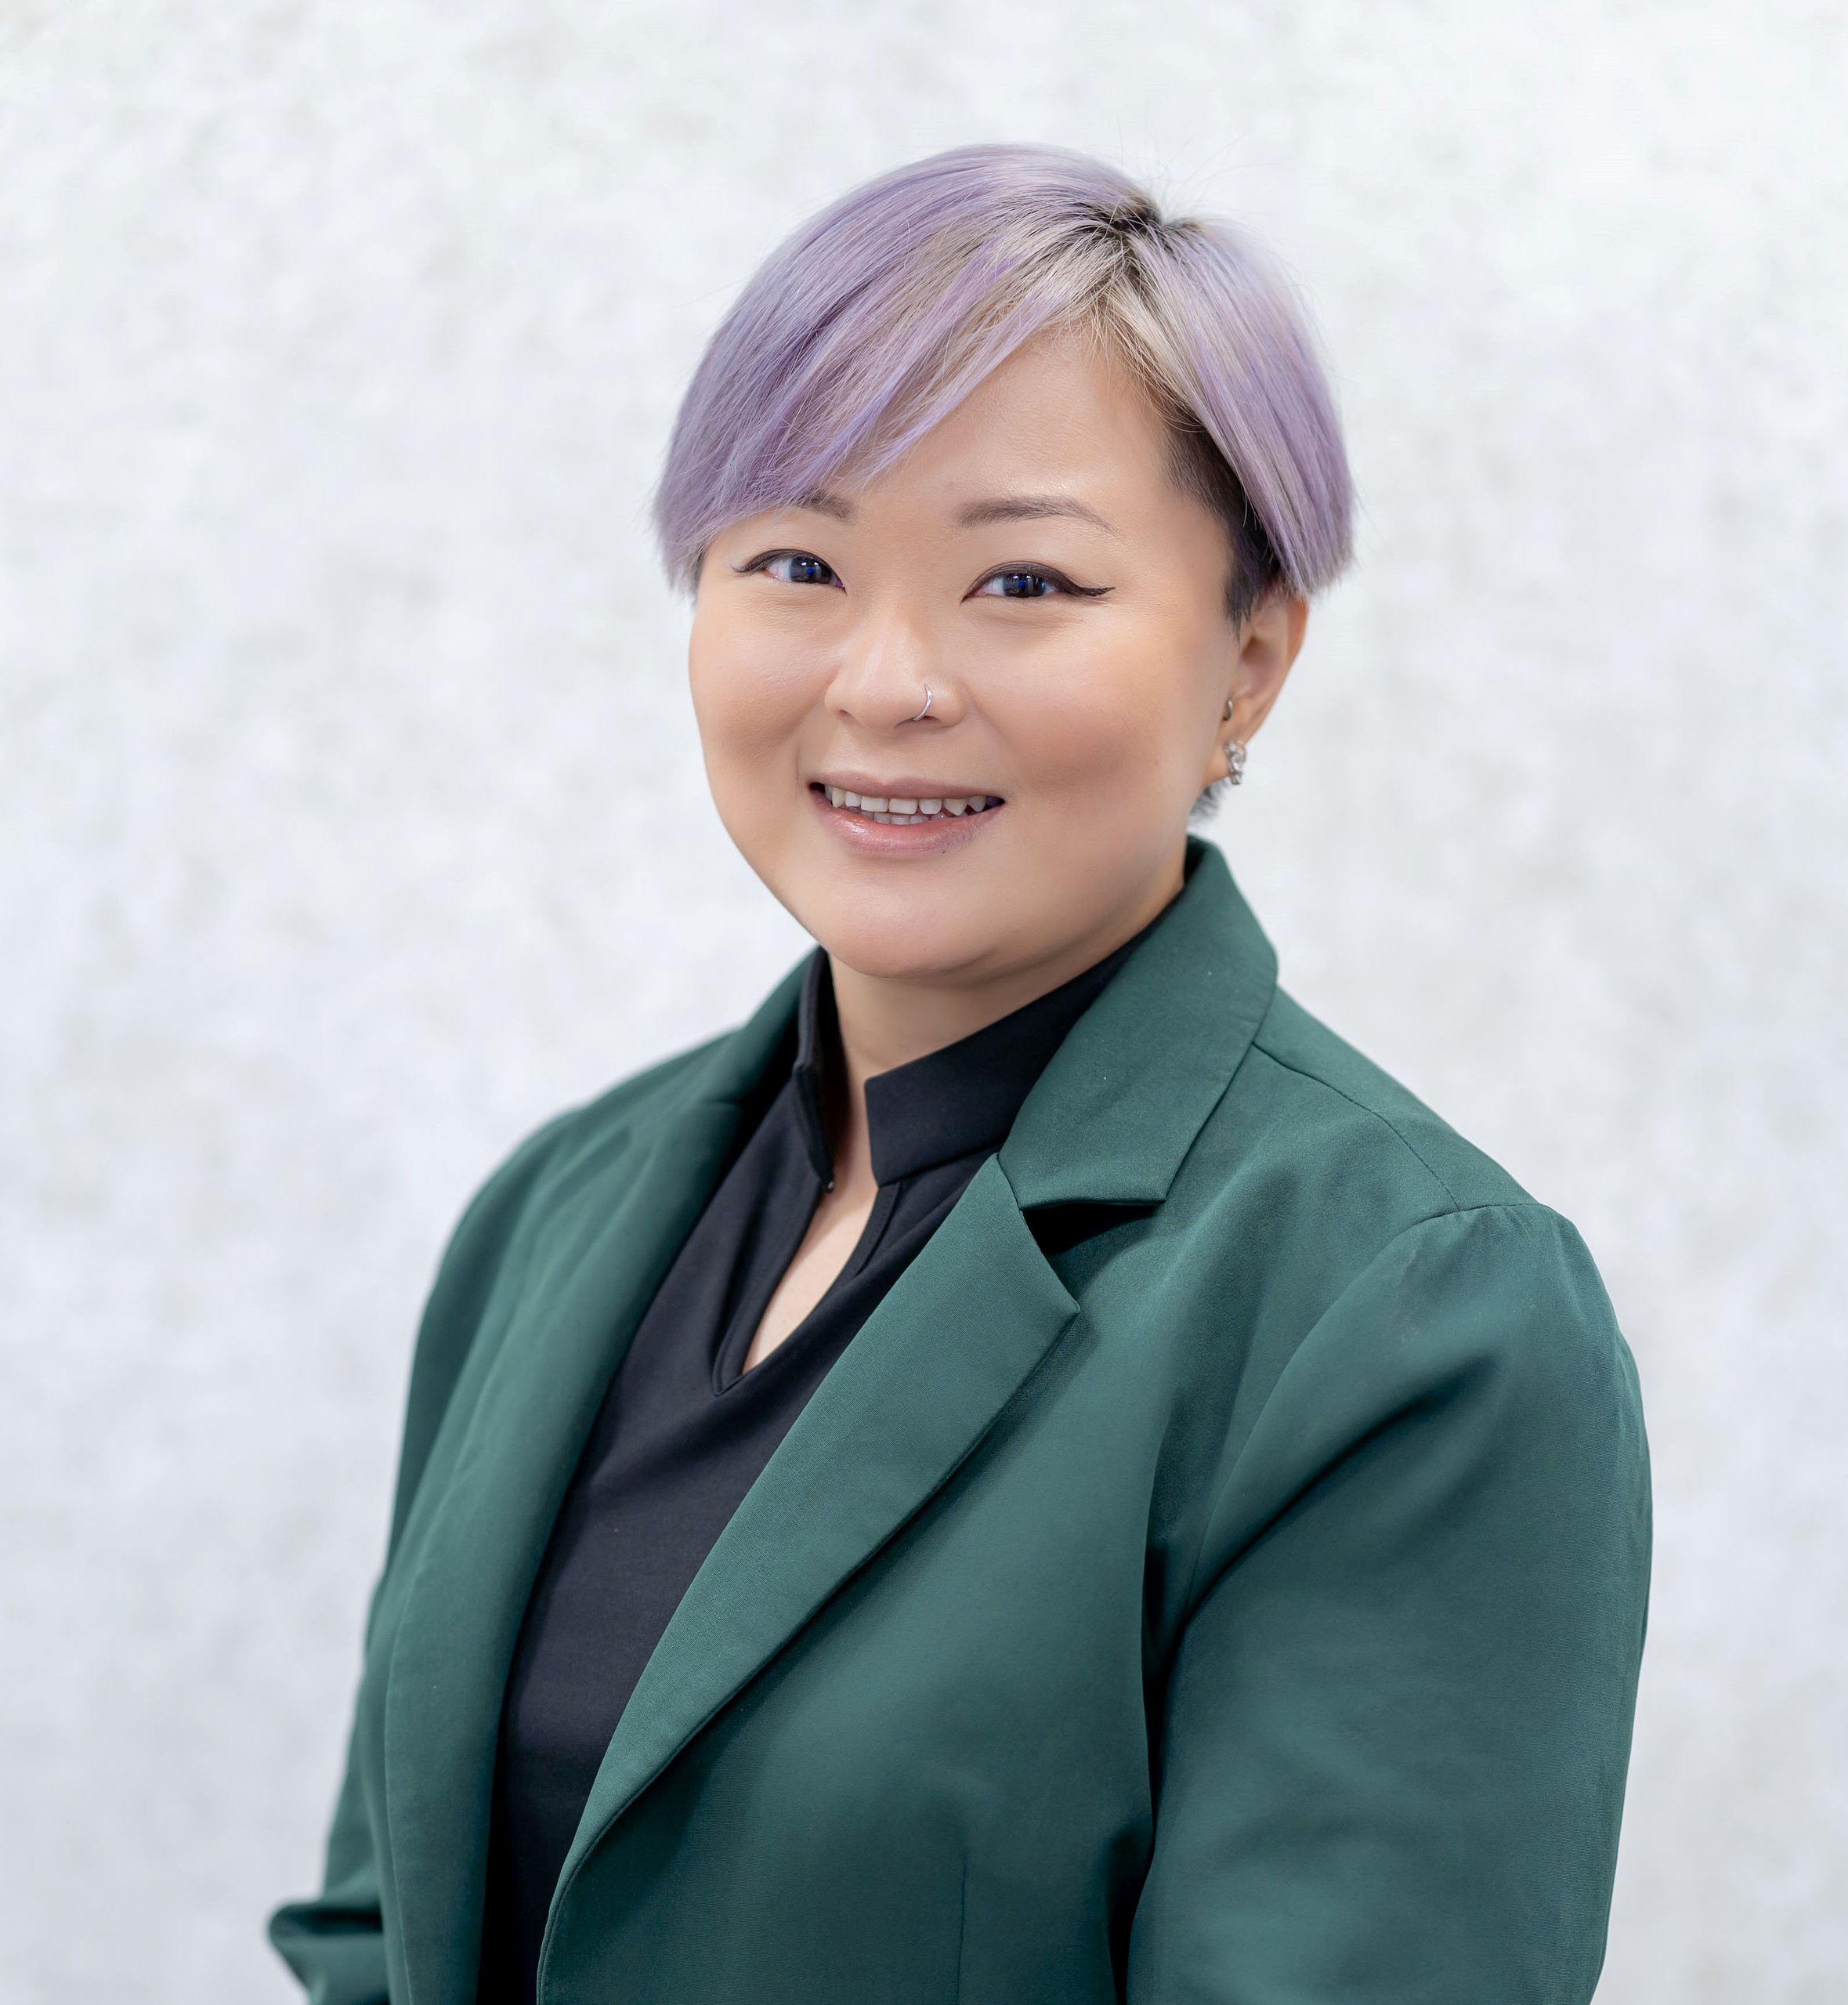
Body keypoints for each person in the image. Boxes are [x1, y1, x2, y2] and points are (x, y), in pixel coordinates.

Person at [269, 144, 1650, 2005]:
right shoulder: (555, 1214)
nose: (888, 680)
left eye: (1023, 578)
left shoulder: (1407, 1312)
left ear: (1247, 662)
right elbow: (387, 1935)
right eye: (797, 562)